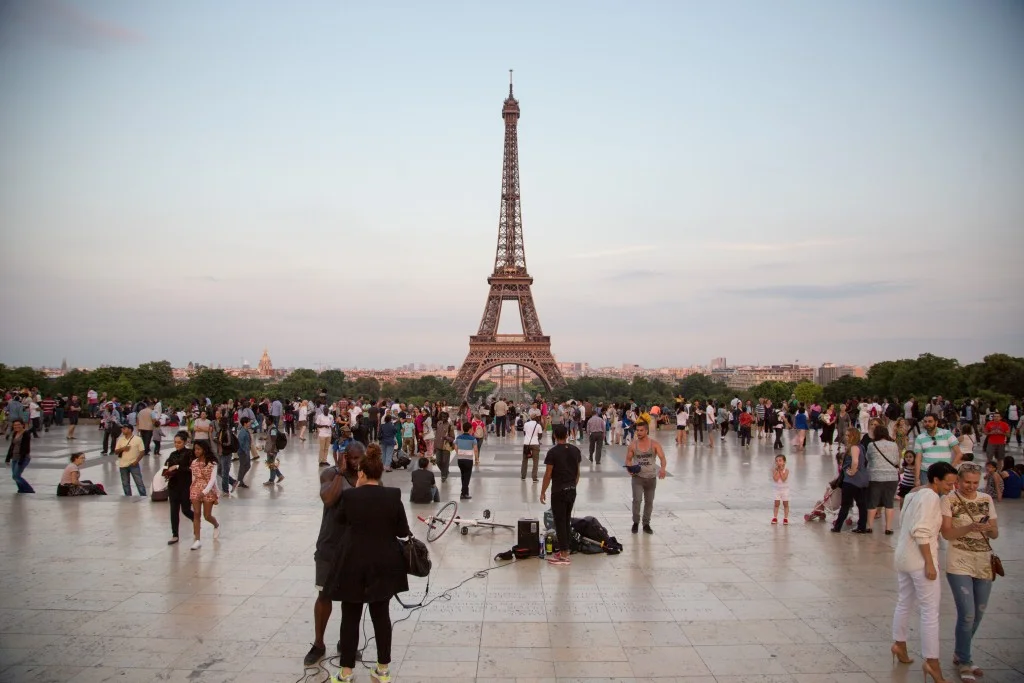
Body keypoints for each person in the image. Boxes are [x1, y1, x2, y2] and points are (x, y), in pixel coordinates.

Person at [325, 445, 411, 683]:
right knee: (381, 616)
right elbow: (402, 530)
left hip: (353, 562)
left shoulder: (350, 496)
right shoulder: (393, 495)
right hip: (384, 563)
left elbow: (341, 520)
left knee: (350, 617)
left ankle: (346, 672)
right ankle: (382, 669)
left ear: (362, 473)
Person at [891, 461, 958, 683]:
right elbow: (921, 531)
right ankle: (932, 661)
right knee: (930, 612)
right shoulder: (930, 498)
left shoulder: (914, 495)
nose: (952, 487)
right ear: (936, 480)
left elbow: (905, 521)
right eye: (949, 483)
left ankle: (899, 644)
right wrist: (930, 563)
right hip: (920, 559)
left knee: (904, 601)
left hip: (903, 556)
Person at [306, 440, 364, 667]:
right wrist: (340, 473)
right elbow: (329, 499)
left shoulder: (366, 475)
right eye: (353, 458)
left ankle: (346, 642)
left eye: (360, 459)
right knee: (324, 595)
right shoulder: (330, 474)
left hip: (354, 545)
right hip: (330, 544)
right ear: (344, 457)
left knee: (352, 598)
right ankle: (318, 643)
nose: (357, 463)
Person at [940, 462, 999, 682]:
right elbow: (946, 533)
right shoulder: (949, 500)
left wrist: (988, 529)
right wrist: (969, 528)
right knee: (967, 614)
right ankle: (965, 660)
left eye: (975, 482)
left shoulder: (986, 500)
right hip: (959, 562)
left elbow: (995, 534)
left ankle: (959, 651)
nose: (971, 487)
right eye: (967, 482)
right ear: (959, 480)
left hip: (983, 562)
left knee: (979, 613)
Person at [540, 424, 581, 566]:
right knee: (566, 519)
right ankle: (565, 550)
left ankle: (564, 555)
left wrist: (543, 491)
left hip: (558, 491)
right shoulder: (575, 450)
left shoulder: (553, 452)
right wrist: (572, 486)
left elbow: (548, 474)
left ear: (555, 436)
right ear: (568, 435)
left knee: (559, 522)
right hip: (571, 489)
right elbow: (577, 473)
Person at [624, 419, 667, 534]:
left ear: (646, 431)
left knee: (649, 502)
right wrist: (629, 469)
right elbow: (628, 459)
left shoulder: (655, 444)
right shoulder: (633, 445)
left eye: (641, 430)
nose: (639, 432)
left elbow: (662, 458)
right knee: (637, 500)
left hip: (651, 478)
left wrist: (662, 469)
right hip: (638, 478)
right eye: (637, 430)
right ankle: (636, 522)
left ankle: (646, 523)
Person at [866, 424, 901, 535]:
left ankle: (869, 526)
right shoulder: (894, 445)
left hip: (875, 476)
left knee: (873, 502)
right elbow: (896, 461)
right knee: (889, 502)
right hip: (891, 476)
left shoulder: (872, 445)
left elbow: (868, 458)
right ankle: (888, 528)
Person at [832, 428, 868, 533]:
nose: (846, 437)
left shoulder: (854, 447)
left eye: (848, 435)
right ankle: (862, 526)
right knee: (861, 504)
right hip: (861, 480)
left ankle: (837, 527)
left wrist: (852, 471)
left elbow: (855, 461)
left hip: (852, 481)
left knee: (845, 505)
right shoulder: (861, 447)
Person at [913, 413, 964, 485]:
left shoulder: (946, 434)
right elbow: (918, 459)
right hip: (926, 473)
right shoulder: (920, 438)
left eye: (930, 421)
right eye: (925, 421)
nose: (927, 423)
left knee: (943, 495)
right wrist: (917, 479)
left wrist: (950, 468)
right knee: (927, 495)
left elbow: (959, 453)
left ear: (936, 422)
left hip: (944, 473)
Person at [164, 431, 195, 545]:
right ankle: (175, 534)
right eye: (175, 442)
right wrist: (167, 472)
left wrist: (178, 466)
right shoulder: (172, 454)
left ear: (185, 442)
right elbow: (168, 466)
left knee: (186, 510)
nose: (177, 444)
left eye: (179, 442)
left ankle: (196, 519)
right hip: (173, 485)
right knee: (174, 511)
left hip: (185, 486)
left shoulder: (190, 453)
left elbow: (191, 469)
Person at [189, 440, 220, 550]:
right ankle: (197, 539)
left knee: (207, 515)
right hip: (195, 489)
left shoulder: (212, 463)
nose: (196, 451)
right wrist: (192, 489)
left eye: (198, 449)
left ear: (204, 450)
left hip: (208, 490)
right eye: (195, 449)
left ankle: (216, 524)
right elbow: (194, 477)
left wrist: (205, 492)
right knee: (196, 513)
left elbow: (212, 480)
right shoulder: (194, 462)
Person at [115, 424, 147, 496]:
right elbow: (116, 451)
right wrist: (123, 448)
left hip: (133, 464)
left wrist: (136, 461)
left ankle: (143, 495)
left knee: (139, 482)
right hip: (122, 464)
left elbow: (142, 451)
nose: (122, 430)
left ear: (130, 430)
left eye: (124, 428)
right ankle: (128, 497)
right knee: (125, 483)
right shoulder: (120, 440)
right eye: (122, 429)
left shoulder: (137, 439)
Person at [5, 418, 34, 493]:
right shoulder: (15, 433)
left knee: (16, 476)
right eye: (15, 425)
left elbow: (26, 448)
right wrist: (8, 458)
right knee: (15, 476)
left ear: (22, 425)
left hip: (23, 458)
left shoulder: (26, 433)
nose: (16, 426)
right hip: (14, 457)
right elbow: (12, 446)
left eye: (18, 425)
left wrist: (21, 460)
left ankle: (29, 490)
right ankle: (21, 490)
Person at [454, 421, 478, 500]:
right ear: (470, 429)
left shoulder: (458, 437)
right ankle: (463, 494)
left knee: (463, 475)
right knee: (467, 477)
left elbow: (455, 447)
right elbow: (475, 450)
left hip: (460, 460)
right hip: (468, 460)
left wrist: (459, 453)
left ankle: (465, 491)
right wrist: (477, 459)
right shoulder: (473, 439)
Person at [521, 411, 543, 482]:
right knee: (535, 461)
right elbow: (540, 436)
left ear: (530, 417)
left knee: (525, 460)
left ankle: (523, 476)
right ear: (537, 418)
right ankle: (534, 478)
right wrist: (536, 438)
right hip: (535, 444)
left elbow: (524, 433)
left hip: (526, 443)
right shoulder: (538, 425)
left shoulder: (526, 424)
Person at [433, 412, 454, 483]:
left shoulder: (450, 425)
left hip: (446, 447)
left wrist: (447, 438)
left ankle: (443, 475)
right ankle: (445, 471)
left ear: (447, 417)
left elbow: (453, 438)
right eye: (442, 417)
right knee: (438, 461)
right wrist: (434, 446)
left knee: (445, 462)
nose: (443, 418)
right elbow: (436, 436)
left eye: (445, 417)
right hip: (438, 446)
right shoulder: (439, 423)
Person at [264, 420, 285, 486]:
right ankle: (279, 476)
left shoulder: (273, 429)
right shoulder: (270, 428)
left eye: (267, 420)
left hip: (272, 450)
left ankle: (271, 480)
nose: (265, 421)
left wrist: (272, 451)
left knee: (271, 464)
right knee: (270, 463)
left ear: (270, 420)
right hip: (270, 449)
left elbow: (273, 440)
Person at [235, 416, 253, 489]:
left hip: (246, 451)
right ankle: (239, 481)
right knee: (243, 466)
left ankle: (240, 480)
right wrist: (246, 451)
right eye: (248, 421)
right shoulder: (243, 432)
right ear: (245, 423)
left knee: (246, 466)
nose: (250, 423)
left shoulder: (245, 430)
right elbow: (240, 443)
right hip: (243, 452)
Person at [771, 454, 790, 524]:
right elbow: (775, 479)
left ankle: (785, 518)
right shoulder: (774, 470)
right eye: (776, 461)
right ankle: (775, 517)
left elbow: (784, 479)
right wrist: (778, 471)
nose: (778, 462)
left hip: (785, 490)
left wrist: (781, 470)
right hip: (777, 490)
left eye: (780, 460)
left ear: (784, 462)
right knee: (776, 503)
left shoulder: (787, 470)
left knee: (785, 504)